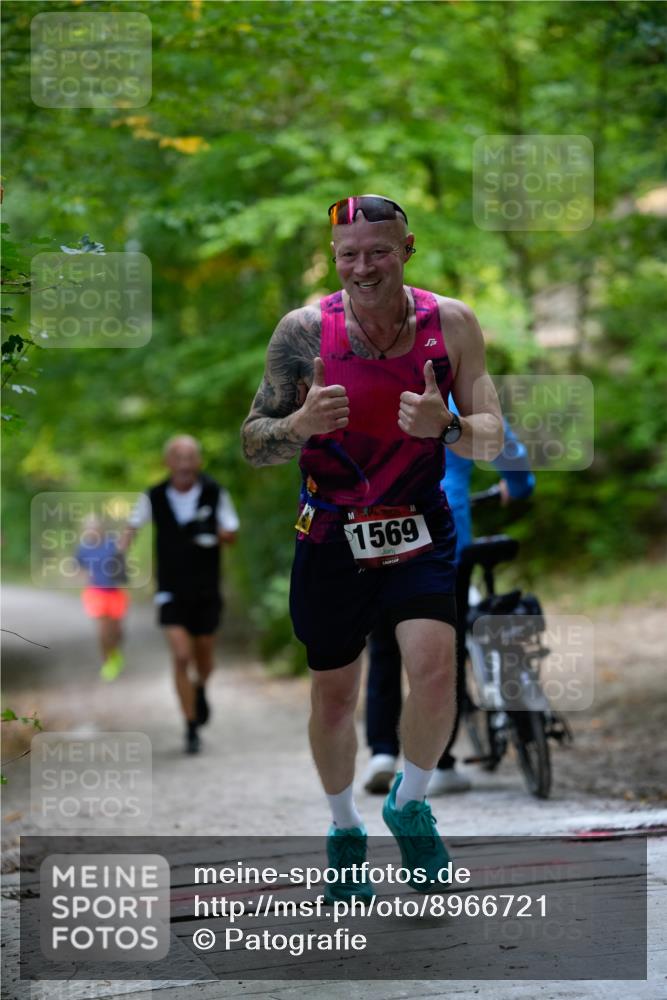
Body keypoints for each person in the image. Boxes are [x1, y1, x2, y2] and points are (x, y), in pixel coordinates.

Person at [241, 194, 503, 902]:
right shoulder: (302, 332)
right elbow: (252, 445)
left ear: (407, 248)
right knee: (334, 696)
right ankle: (342, 828)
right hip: (329, 531)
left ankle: (411, 805)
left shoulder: (450, 323)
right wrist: (297, 424)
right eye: (349, 254)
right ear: (335, 258)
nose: (363, 266)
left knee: (435, 669)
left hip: (417, 522)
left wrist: (444, 425)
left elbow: (492, 436)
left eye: (378, 251)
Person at [363, 409, 535, 795]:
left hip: (377, 531)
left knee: (385, 644)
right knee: (444, 650)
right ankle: (438, 762)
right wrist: (520, 486)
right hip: (445, 533)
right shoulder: (456, 396)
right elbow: (505, 446)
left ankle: (382, 753)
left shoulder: (371, 386)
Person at [119, 435, 239, 754]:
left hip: (206, 589)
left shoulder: (215, 492)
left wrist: (213, 532)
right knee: (181, 655)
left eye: (190, 457)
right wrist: (119, 553)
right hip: (170, 589)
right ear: (167, 462)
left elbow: (231, 533)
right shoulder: (153, 496)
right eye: (178, 457)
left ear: (198, 462)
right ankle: (190, 727)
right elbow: (130, 528)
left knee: (204, 657)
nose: (185, 463)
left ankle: (200, 688)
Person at [76, 513, 129, 682]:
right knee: (102, 630)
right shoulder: (83, 549)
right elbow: (78, 567)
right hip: (95, 593)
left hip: (115, 592)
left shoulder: (112, 544)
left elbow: (122, 563)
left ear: (101, 528)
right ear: (85, 530)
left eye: (95, 526)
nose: (92, 530)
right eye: (89, 527)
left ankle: (115, 653)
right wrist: (85, 576)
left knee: (117, 632)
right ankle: (108, 661)